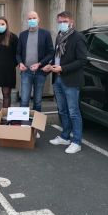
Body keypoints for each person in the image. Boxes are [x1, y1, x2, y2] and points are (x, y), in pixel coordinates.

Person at [44, 11, 87, 154]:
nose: (62, 23)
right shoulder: (59, 36)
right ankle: (65, 136)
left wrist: (63, 68)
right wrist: (50, 65)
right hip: (58, 79)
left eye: (64, 21)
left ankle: (77, 141)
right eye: (60, 21)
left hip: (71, 79)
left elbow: (81, 61)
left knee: (73, 111)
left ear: (71, 22)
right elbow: (57, 57)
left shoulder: (78, 37)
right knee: (62, 110)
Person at [16, 11, 54, 112]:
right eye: (29, 19)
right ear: (27, 21)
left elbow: (51, 52)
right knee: (24, 100)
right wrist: (20, 63)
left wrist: (40, 64)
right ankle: (24, 124)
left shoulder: (45, 34)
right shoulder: (23, 35)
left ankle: (35, 125)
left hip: (40, 72)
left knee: (37, 101)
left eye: (34, 18)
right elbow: (18, 53)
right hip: (26, 72)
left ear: (38, 19)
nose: (32, 20)